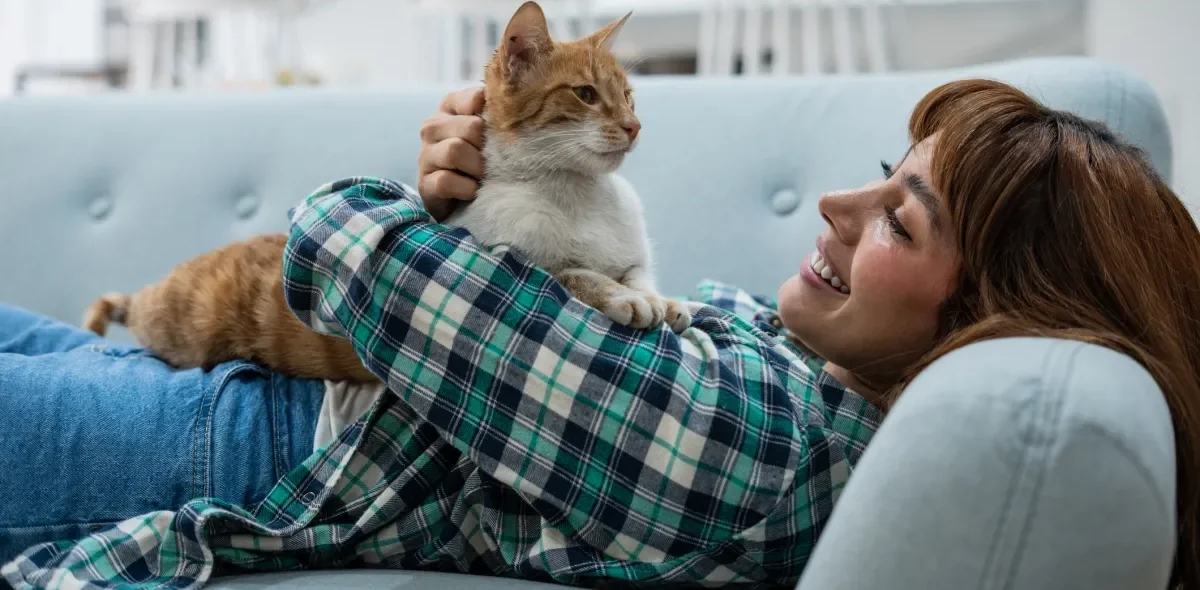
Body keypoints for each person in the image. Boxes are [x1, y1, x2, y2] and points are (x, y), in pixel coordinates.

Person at [1, 79, 1197, 589]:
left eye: (900, 216)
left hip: (228, 443)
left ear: (981, 312)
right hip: (209, 381)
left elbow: (342, 245)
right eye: (882, 174)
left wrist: (421, 206)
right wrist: (448, 210)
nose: (841, 204)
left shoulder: (758, 450)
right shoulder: (812, 381)